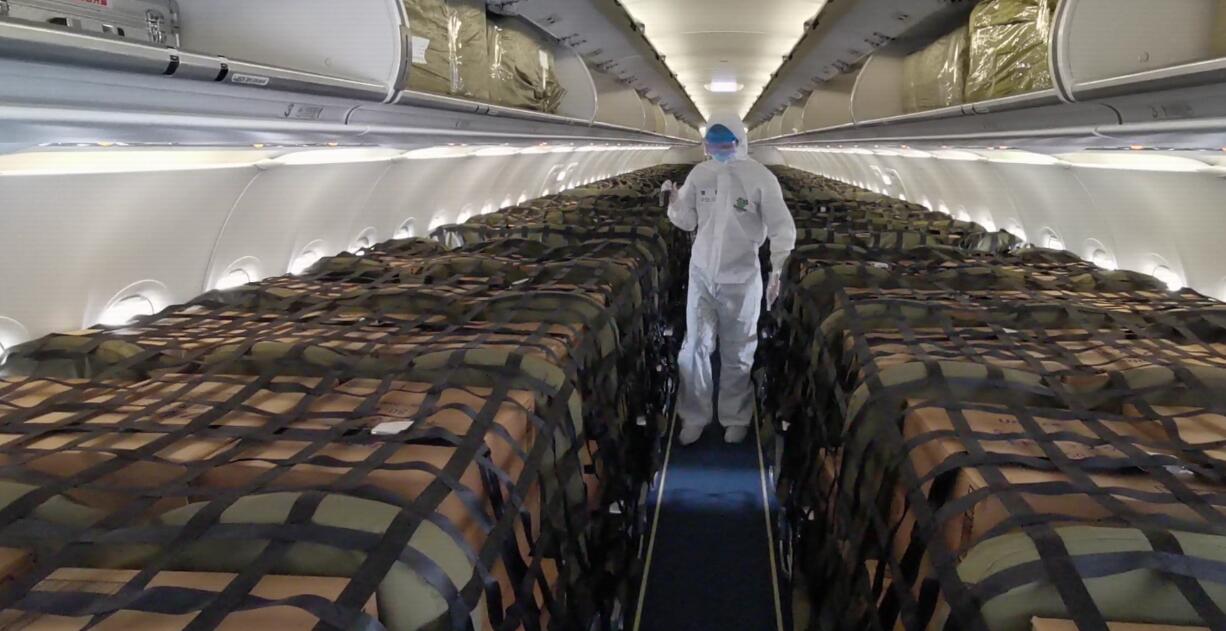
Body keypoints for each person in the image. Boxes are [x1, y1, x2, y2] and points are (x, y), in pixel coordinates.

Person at [661, 115, 796, 445]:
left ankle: (735, 417)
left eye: (725, 145)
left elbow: (782, 228)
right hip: (702, 273)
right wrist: (674, 203)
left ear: (739, 142)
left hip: (741, 276)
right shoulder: (700, 173)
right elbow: (687, 221)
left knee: (738, 351)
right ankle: (695, 416)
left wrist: (778, 270)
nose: (718, 151)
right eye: (712, 146)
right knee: (695, 347)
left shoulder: (760, 178)